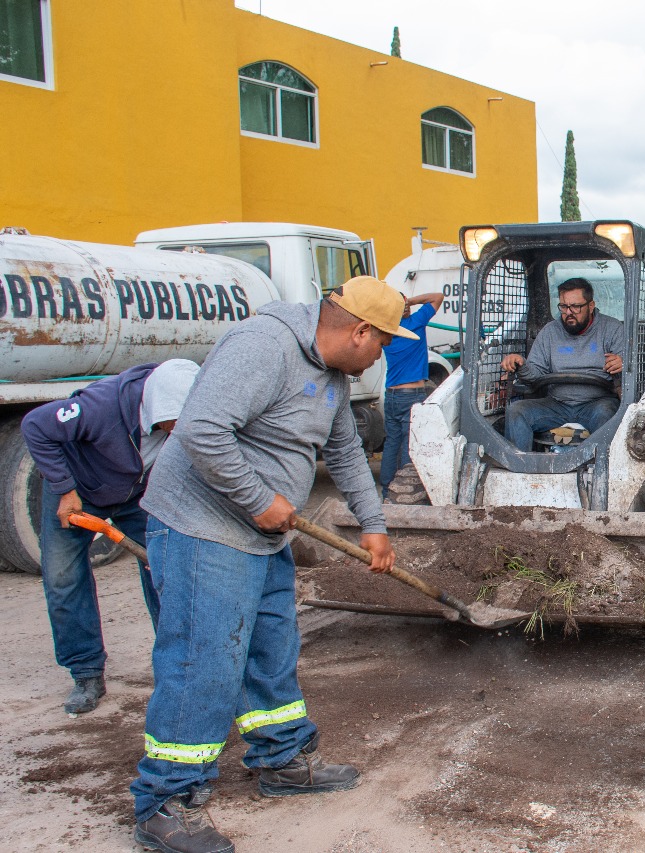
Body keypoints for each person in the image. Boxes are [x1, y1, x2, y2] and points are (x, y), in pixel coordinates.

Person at [129, 276, 409, 853]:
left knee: (270, 649)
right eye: (382, 343)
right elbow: (202, 429)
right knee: (203, 662)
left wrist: (375, 525)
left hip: (262, 539)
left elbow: (345, 452)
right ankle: (166, 801)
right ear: (360, 331)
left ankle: (281, 758)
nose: (381, 356)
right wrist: (258, 499)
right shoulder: (264, 345)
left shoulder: (332, 376)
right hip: (203, 530)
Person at [20, 359, 200, 716]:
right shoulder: (101, 408)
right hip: (78, 491)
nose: (180, 429)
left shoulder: (182, 409)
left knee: (165, 570)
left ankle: (179, 669)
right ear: (157, 406)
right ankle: (86, 672)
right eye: (174, 421)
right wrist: (64, 489)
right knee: (63, 578)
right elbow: (35, 425)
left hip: (137, 493)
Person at [500, 277, 626, 452]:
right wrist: (521, 365)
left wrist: (623, 363)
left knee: (607, 413)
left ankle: (600, 465)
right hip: (557, 404)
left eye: (575, 306)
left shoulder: (612, 329)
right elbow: (536, 374)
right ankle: (519, 466)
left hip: (597, 403)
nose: (569, 312)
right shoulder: (549, 332)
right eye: (564, 307)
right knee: (516, 410)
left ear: (591, 306)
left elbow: (631, 371)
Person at [380, 290, 445, 497]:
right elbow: (438, 297)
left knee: (392, 443)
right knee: (410, 444)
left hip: (391, 396)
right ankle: (404, 491)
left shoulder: (386, 330)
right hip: (412, 395)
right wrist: (411, 301)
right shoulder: (415, 323)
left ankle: (386, 491)